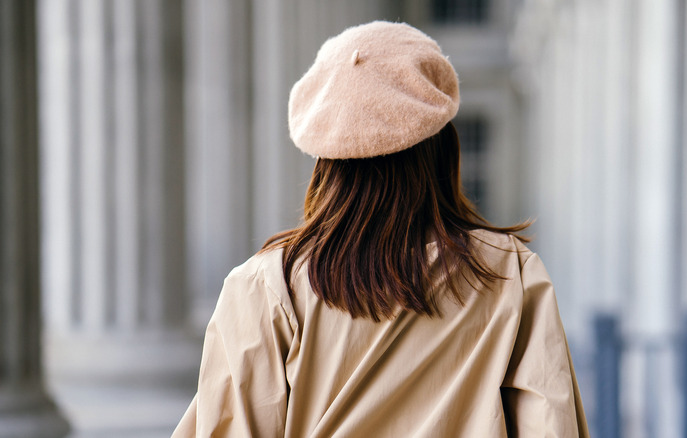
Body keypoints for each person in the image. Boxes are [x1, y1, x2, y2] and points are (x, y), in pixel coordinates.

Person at [173, 21, 589, 437]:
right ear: (442, 148)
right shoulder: (510, 273)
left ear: (325, 160)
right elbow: (553, 427)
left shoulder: (264, 288)